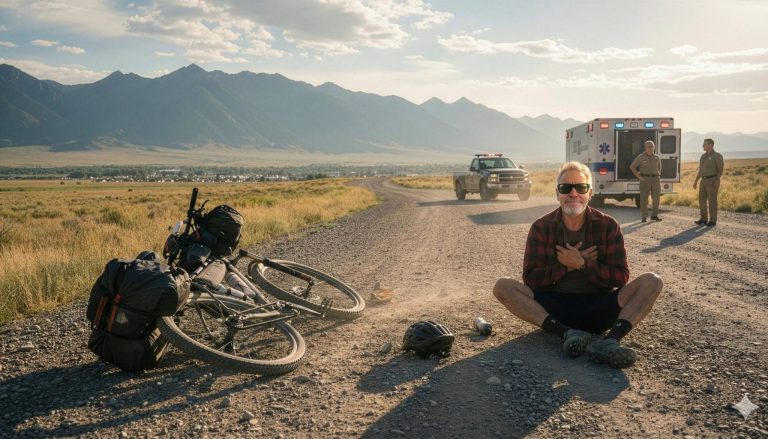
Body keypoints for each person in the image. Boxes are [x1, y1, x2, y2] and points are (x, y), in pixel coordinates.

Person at [493, 161, 663, 369]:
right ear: (558, 194)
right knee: (503, 286)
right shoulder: (541, 227)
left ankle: (610, 342)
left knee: (652, 281)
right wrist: (565, 266)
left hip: (599, 307)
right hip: (553, 309)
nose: (573, 193)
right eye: (566, 188)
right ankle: (567, 334)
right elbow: (530, 278)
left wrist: (582, 264)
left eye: (580, 187)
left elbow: (620, 278)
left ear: (590, 193)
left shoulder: (608, 226)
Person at [693, 138, 723, 227]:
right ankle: (703, 219)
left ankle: (713, 220)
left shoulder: (717, 156)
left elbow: (720, 169)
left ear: (710, 145)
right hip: (703, 180)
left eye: (705, 144)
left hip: (712, 180)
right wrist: (696, 181)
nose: (703, 146)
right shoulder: (703, 156)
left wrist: (717, 179)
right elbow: (700, 170)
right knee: (702, 200)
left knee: (712, 201)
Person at [630, 140, 662, 222]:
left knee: (656, 198)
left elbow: (659, 168)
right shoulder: (641, 157)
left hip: (655, 179)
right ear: (645, 148)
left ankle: (654, 215)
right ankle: (644, 216)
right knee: (644, 198)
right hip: (645, 179)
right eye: (649, 146)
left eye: (652, 146)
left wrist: (657, 175)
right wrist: (638, 176)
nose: (651, 148)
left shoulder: (657, 157)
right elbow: (632, 166)